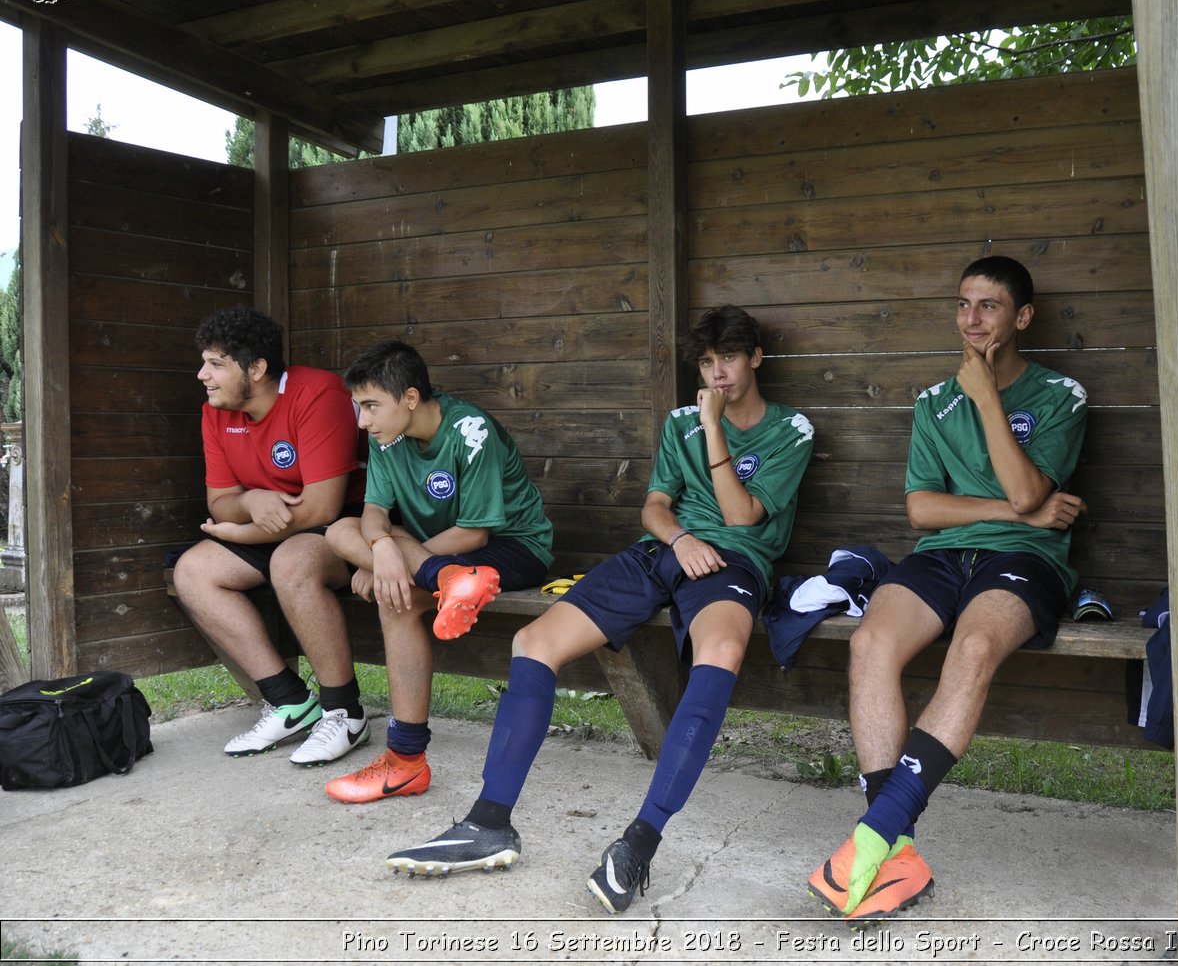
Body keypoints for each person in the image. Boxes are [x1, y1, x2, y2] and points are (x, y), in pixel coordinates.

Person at [385, 305, 815, 916]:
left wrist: (715, 428)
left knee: (720, 653)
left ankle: (640, 841)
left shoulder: (791, 429)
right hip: (664, 553)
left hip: (734, 564)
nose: (717, 374)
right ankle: (488, 822)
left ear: (756, 360)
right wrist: (679, 539)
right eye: (707, 362)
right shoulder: (679, 423)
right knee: (533, 643)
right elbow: (655, 507)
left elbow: (743, 515)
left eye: (729, 360)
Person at [807, 256, 1088, 926]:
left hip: (1026, 559)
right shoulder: (935, 402)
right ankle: (895, 845)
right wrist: (1010, 508)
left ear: (1021, 317)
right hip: (943, 555)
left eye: (988, 306)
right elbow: (922, 510)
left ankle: (874, 834)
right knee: (871, 639)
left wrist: (988, 396)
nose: (971, 319)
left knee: (976, 643)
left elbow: (1028, 491)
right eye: (963, 304)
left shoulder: (1059, 395)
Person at [319, 339, 555, 805]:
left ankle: (405, 762)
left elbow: (474, 535)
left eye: (370, 406)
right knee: (338, 531)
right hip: (440, 560)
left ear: (410, 398)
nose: (362, 420)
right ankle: (445, 581)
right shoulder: (387, 436)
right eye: (358, 407)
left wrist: (399, 562)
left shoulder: (471, 430)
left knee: (395, 597)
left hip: (514, 549)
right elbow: (371, 516)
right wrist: (382, 551)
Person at [173, 306, 369, 767]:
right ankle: (290, 702)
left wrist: (243, 528)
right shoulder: (216, 412)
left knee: (293, 563)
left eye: (216, 363)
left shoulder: (317, 392)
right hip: (272, 524)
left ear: (256, 369)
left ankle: (344, 713)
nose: (203, 374)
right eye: (205, 362)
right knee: (194, 572)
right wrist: (251, 502)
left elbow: (322, 507)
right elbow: (221, 501)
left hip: (347, 523)